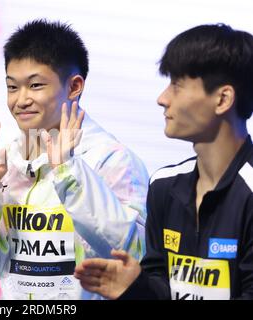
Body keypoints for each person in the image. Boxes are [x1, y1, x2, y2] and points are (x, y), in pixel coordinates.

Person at [0, 19, 149, 300]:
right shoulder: (2, 163)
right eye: (12, 87)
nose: (21, 100)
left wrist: (68, 172)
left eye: (35, 85)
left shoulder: (112, 160)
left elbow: (132, 258)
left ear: (74, 86)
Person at [74, 23, 253, 300]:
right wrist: (136, 288)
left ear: (223, 98)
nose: (162, 99)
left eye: (177, 86)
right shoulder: (163, 185)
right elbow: (162, 286)